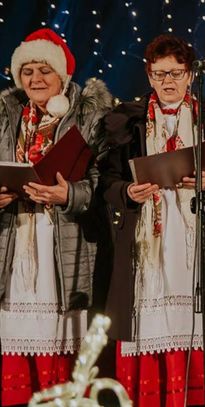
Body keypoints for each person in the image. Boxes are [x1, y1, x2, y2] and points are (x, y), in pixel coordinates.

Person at [100, 34, 205, 406]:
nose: (168, 81)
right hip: (147, 242)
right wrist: (127, 192)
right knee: (150, 326)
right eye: (160, 73)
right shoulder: (127, 122)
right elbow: (107, 182)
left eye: (176, 73)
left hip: (196, 238)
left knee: (198, 324)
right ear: (149, 75)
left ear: (190, 75)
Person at [0, 28, 112, 405]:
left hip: (64, 244)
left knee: (61, 349)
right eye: (27, 71)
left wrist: (69, 194)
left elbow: (104, 183)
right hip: (15, 243)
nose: (35, 79)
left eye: (44, 70)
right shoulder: (6, 116)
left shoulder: (90, 116)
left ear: (61, 74)